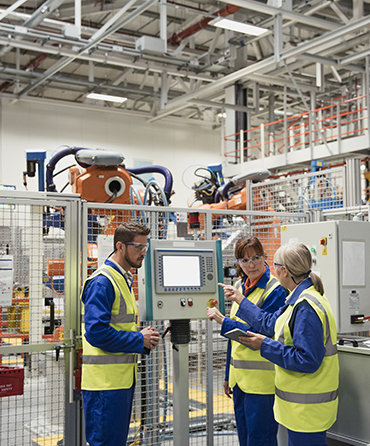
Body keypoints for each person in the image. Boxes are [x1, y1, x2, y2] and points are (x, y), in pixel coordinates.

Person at [219, 242, 339, 446]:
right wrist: (240, 299)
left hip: (307, 406)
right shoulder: (298, 298)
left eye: (271, 263)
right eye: (245, 260)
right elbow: (271, 323)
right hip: (300, 405)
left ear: (284, 270)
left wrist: (263, 345)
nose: (266, 267)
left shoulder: (305, 306)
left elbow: (307, 359)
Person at [80, 221, 160, 446]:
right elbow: (96, 333)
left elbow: (116, 326)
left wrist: (140, 335)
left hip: (119, 382)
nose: (143, 253)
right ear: (120, 246)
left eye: (145, 247)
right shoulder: (103, 282)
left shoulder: (123, 278)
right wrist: (138, 338)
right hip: (104, 387)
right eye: (138, 247)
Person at [207, 236, 287, 446]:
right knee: (245, 439)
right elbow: (233, 341)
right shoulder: (238, 286)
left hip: (262, 385)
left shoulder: (275, 290)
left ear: (264, 257)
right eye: (244, 260)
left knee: (261, 440)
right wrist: (227, 375)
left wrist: (223, 321)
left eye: (256, 258)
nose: (251, 265)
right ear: (238, 263)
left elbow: (259, 333)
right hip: (240, 381)